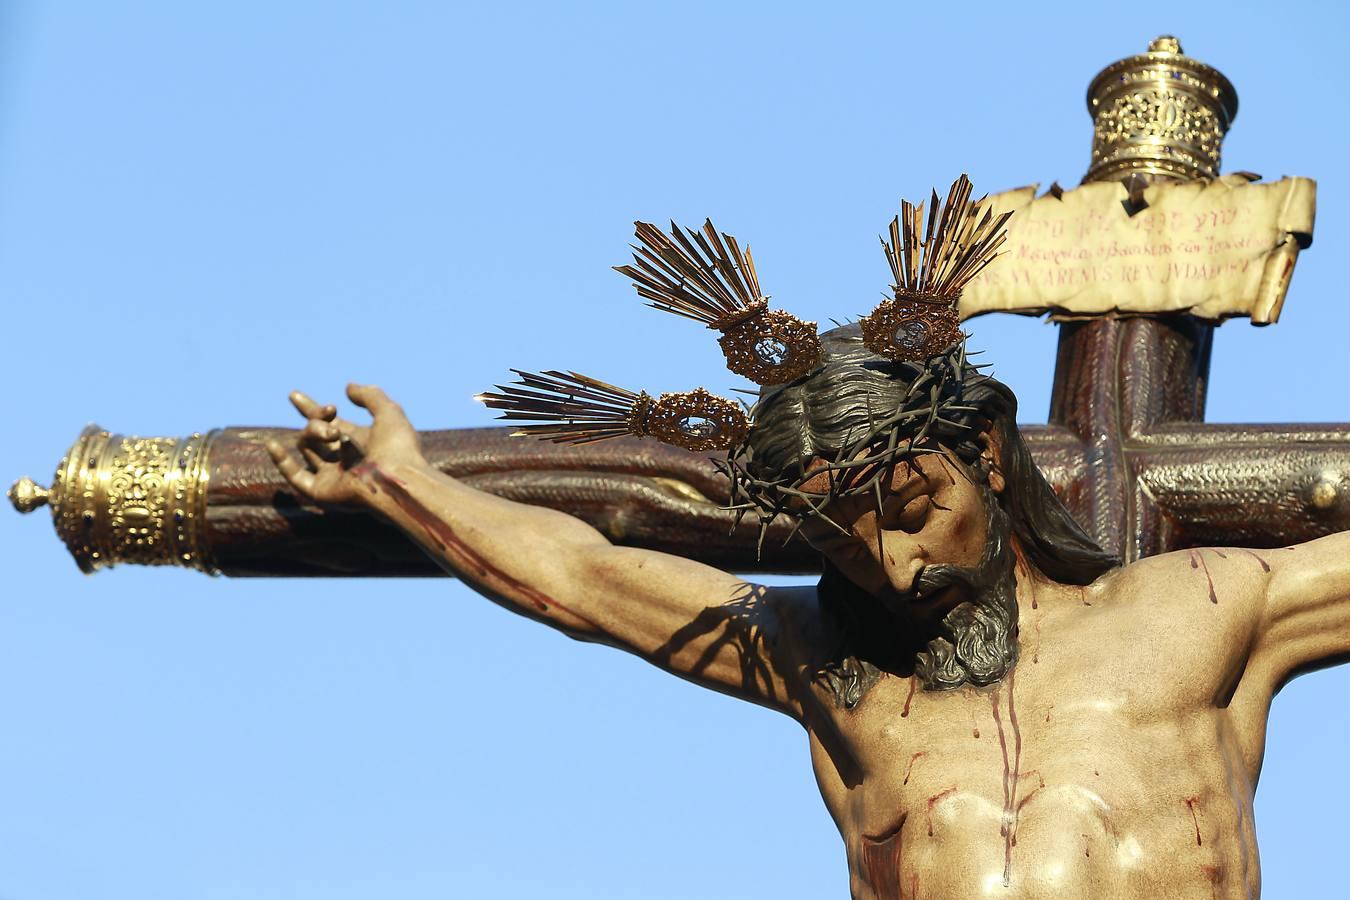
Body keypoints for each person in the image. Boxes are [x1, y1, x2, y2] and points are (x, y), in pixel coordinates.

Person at [267, 189, 1350, 898]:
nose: (892, 565)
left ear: (981, 445)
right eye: (842, 541)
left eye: (913, 504)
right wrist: (395, 481)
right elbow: (584, 575)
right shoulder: (831, 672)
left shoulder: (1199, 612)